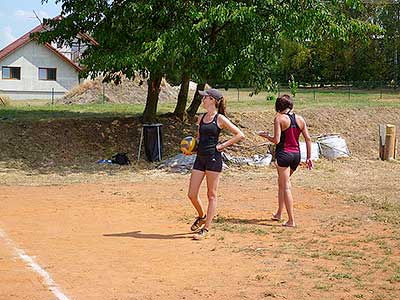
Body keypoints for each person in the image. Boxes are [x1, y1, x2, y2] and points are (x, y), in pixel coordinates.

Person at [188, 88, 245, 240]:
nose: (202, 99)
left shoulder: (219, 118)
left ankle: (205, 229)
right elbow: (199, 139)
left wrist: (222, 146)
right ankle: (202, 216)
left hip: (214, 158)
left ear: (212, 100)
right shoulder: (201, 118)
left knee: (211, 195)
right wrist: (192, 148)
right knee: (192, 194)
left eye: (205, 97)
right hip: (200, 158)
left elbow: (240, 134)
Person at [257, 94, 313, 227]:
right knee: (282, 183)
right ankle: (279, 213)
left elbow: (276, 140)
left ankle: (291, 220)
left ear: (278, 106)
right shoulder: (300, 119)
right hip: (296, 155)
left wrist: (265, 136)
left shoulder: (279, 119)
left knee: (286, 185)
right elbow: (308, 139)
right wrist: (309, 157)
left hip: (284, 155)